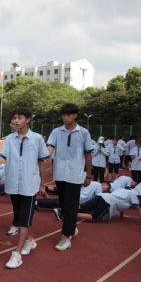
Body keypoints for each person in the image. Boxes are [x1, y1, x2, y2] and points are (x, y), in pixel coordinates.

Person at [0, 108, 49, 269]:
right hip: (13, 184)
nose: (16, 121)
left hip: (29, 185)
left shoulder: (37, 139)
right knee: (18, 217)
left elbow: (41, 162)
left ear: (28, 120)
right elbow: (1, 157)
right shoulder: (9, 139)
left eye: (20, 118)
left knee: (24, 219)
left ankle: (16, 254)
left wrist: (42, 183)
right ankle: (29, 241)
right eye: (14, 118)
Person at [46, 103, 93, 251]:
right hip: (59, 173)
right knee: (64, 204)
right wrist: (40, 156)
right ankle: (71, 227)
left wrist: (89, 174)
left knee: (71, 206)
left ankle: (66, 237)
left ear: (75, 116)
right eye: (64, 115)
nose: (66, 118)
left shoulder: (84, 133)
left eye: (69, 115)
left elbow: (88, 154)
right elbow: (49, 149)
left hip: (75, 175)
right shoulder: (56, 132)